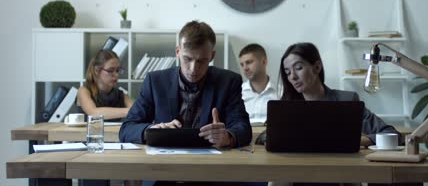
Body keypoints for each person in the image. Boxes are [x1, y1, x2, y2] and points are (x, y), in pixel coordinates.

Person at [119, 20, 252, 186]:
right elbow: (127, 128)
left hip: (212, 176)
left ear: (212, 56)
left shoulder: (228, 81)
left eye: (202, 61)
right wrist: (151, 131)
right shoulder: (155, 81)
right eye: (187, 59)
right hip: (166, 175)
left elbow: (243, 128)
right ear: (177, 52)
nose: (193, 68)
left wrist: (228, 137)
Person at [265, 42, 405, 186]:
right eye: (287, 72)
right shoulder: (286, 108)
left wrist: (357, 141)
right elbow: (266, 138)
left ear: (317, 67)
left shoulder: (346, 101)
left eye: (298, 68)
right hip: (298, 176)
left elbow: (392, 135)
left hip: (339, 176)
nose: (292, 77)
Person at [78, 49, 134, 121]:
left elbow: (138, 111)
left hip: (113, 132)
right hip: (89, 132)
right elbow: (94, 113)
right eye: (110, 70)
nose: (116, 75)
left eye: (117, 70)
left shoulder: (121, 95)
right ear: (96, 70)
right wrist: (131, 111)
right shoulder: (84, 91)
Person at [239, 43, 278, 125]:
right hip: (245, 137)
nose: (245, 68)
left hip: (273, 137)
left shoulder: (281, 92)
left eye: (249, 62)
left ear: (264, 62)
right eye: (242, 64)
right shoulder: (237, 93)